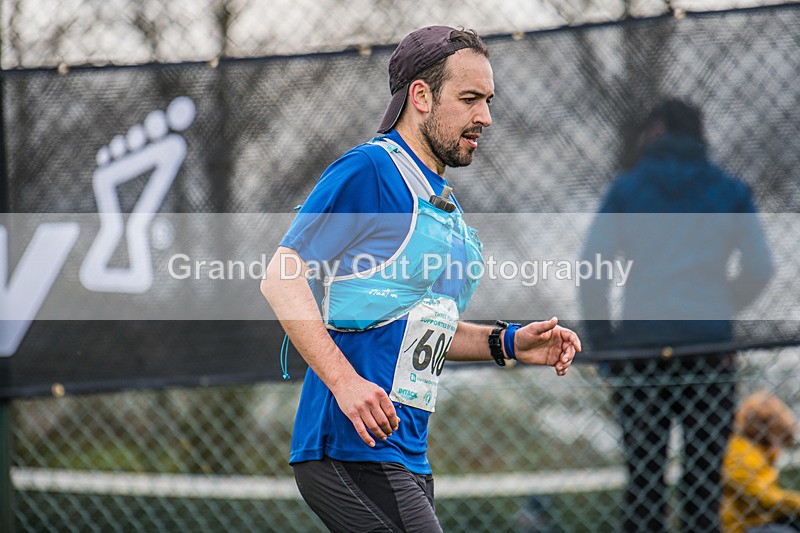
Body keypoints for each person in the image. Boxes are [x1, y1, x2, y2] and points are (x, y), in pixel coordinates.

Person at [260, 26, 581, 532]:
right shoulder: (369, 170)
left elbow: (418, 326)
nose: (486, 117)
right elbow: (281, 278)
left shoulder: (444, 205)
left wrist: (511, 343)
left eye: (488, 100)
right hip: (348, 445)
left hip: (408, 453)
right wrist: (346, 384)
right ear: (422, 96)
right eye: (470, 98)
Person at [580, 99, 774, 532]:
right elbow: (760, 267)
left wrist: (605, 346)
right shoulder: (729, 190)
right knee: (703, 485)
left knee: (644, 483)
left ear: (656, 131)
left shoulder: (627, 189)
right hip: (709, 350)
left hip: (640, 353)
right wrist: (720, 307)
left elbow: (592, 268)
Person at [721, 391, 800, 533]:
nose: (780, 450)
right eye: (781, 441)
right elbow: (762, 497)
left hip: (759, 521)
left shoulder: (758, 453)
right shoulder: (741, 452)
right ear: (771, 432)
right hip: (742, 526)